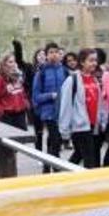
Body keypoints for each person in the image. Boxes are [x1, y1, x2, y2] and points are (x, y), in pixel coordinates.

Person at [59, 49, 106, 168]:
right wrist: (64, 130)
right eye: (90, 60)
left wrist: (102, 121)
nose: (94, 63)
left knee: (80, 155)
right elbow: (66, 106)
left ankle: (63, 174)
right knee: (89, 161)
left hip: (94, 126)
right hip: (80, 126)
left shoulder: (95, 79)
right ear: (82, 62)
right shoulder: (72, 80)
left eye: (95, 60)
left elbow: (99, 102)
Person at [32, 42, 68, 172]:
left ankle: (47, 168)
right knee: (55, 139)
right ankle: (57, 169)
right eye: (51, 52)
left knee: (52, 142)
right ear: (46, 55)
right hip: (48, 112)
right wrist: (50, 96)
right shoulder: (41, 73)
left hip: (62, 112)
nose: (54, 55)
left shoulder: (64, 71)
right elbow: (36, 96)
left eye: (56, 52)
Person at [13, 40, 45, 149]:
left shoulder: (50, 69)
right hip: (35, 101)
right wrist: (18, 47)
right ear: (36, 57)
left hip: (48, 102)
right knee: (38, 130)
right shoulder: (30, 68)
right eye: (39, 54)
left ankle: (52, 154)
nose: (42, 56)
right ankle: (39, 151)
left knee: (53, 132)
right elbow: (19, 61)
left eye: (44, 54)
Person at [0, 52, 29, 129]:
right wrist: (0, 113)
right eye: (10, 62)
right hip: (7, 115)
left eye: (14, 61)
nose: (13, 64)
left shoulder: (18, 76)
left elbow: (22, 93)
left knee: (22, 139)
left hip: (20, 113)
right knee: (10, 139)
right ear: (4, 64)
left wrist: (25, 103)